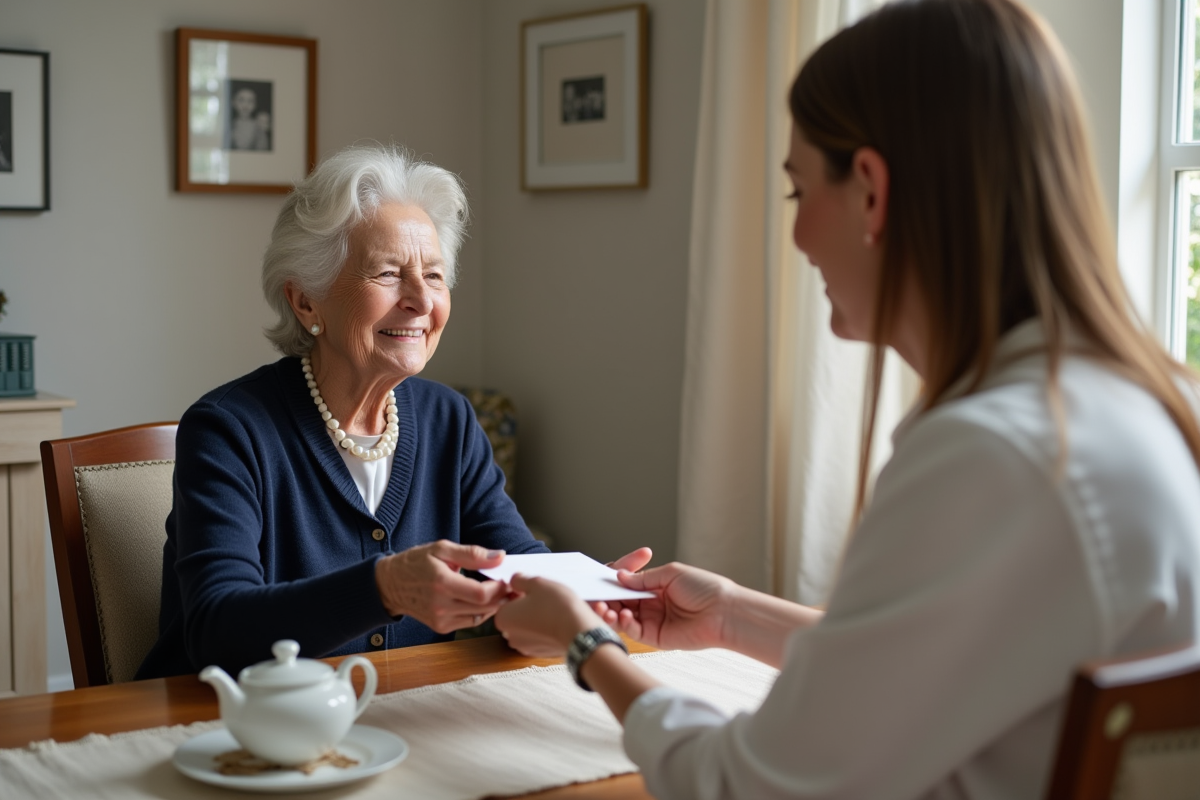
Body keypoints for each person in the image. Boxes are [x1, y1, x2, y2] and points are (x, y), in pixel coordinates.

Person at [494, 1, 1200, 797]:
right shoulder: (1153, 404)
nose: (797, 239)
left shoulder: (993, 455)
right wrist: (731, 615)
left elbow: (742, 786)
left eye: (798, 193)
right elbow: (928, 665)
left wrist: (588, 647)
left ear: (870, 190)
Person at [137, 146, 634, 680]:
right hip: (228, 718)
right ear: (306, 302)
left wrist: (596, 590)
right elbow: (218, 632)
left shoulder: (448, 421)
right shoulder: (228, 430)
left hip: (402, 713)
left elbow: (514, 564)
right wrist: (386, 588)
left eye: (434, 275)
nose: (421, 300)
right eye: (388, 273)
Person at [229, 86, 270, 151]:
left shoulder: (258, 126)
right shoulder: (229, 125)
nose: (245, 105)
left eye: (250, 101)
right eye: (241, 100)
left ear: (255, 104)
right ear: (233, 102)